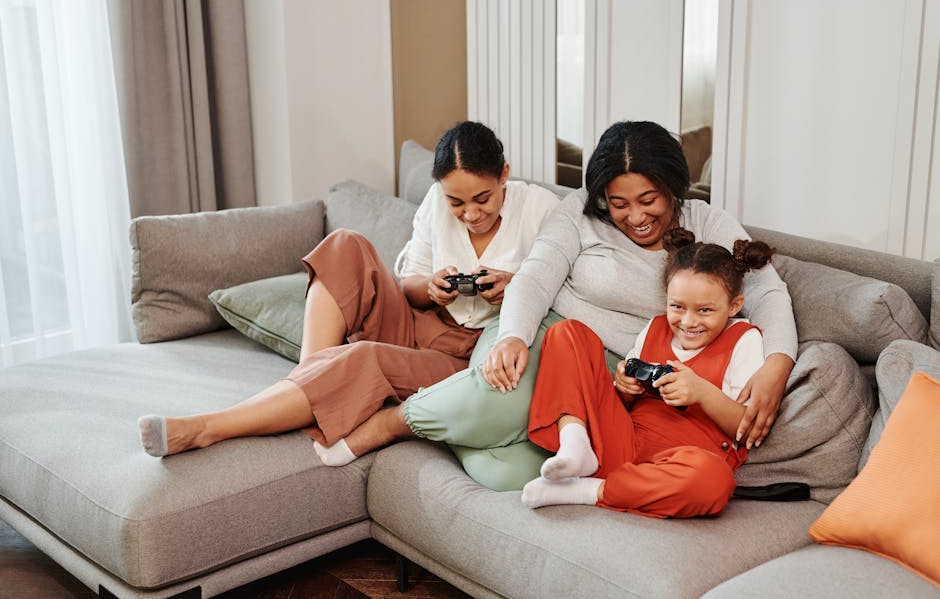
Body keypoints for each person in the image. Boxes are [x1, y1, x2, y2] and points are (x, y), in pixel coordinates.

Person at [321, 120, 797, 491]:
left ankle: (452, 424)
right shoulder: (579, 214)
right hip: (546, 331)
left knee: (508, 475)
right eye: (617, 203)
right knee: (492, 402)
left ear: (674, 186)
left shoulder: (709, 223)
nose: (635, 217)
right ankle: (388, 425)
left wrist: (776, 366)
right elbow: (536, 275)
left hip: (609, 372)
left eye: (648, 200)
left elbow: (766, 292)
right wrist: (512, 336)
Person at [137, 120, 560, 459]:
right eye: (456, 202)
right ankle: (307, 380)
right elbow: (407, 283)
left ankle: (207, 428)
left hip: (461, 357)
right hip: (418, 321)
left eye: (482, 199)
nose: (470, 213)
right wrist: (430, 289)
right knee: (345, 244)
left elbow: (560, 290)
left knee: (362, 357)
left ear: (504, 174)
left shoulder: (541, 210)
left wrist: (514, 286)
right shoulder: (435, 200)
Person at [520, 228, 772, 517]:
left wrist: (701, 392)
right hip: (622, 441)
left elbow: (747, 427)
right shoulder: (655, 327)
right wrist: (625, 389)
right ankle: (574, 444)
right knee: (566, 333)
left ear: (734, 306)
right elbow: (622, 402)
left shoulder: (743, 338)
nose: (688, 322)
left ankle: (588, 490)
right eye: (677, 306)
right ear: (666, 297)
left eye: (704, 310)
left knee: (714, 481)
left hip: (680, 463)